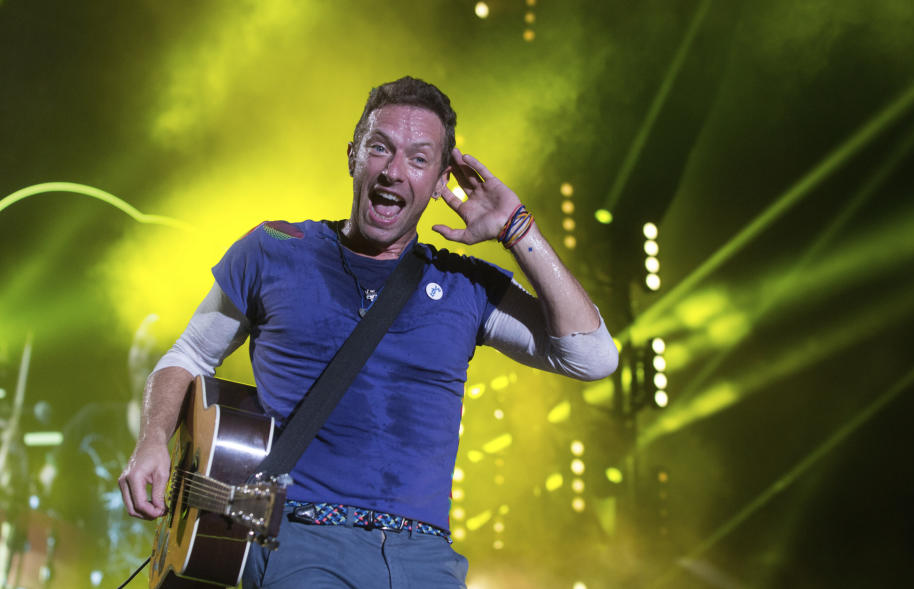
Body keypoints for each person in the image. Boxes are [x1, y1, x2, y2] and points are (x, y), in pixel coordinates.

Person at [118, 76, 618, 588]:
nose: (394, 172)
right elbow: (189, 356)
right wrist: (152, 440)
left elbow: (593, 357)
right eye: (380, 149)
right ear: (353, 155)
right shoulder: (272, 250)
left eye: (419, 160)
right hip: (299, 545)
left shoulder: (466, 286)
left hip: (427, 560)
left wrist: (516, 227)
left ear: (442, 180)